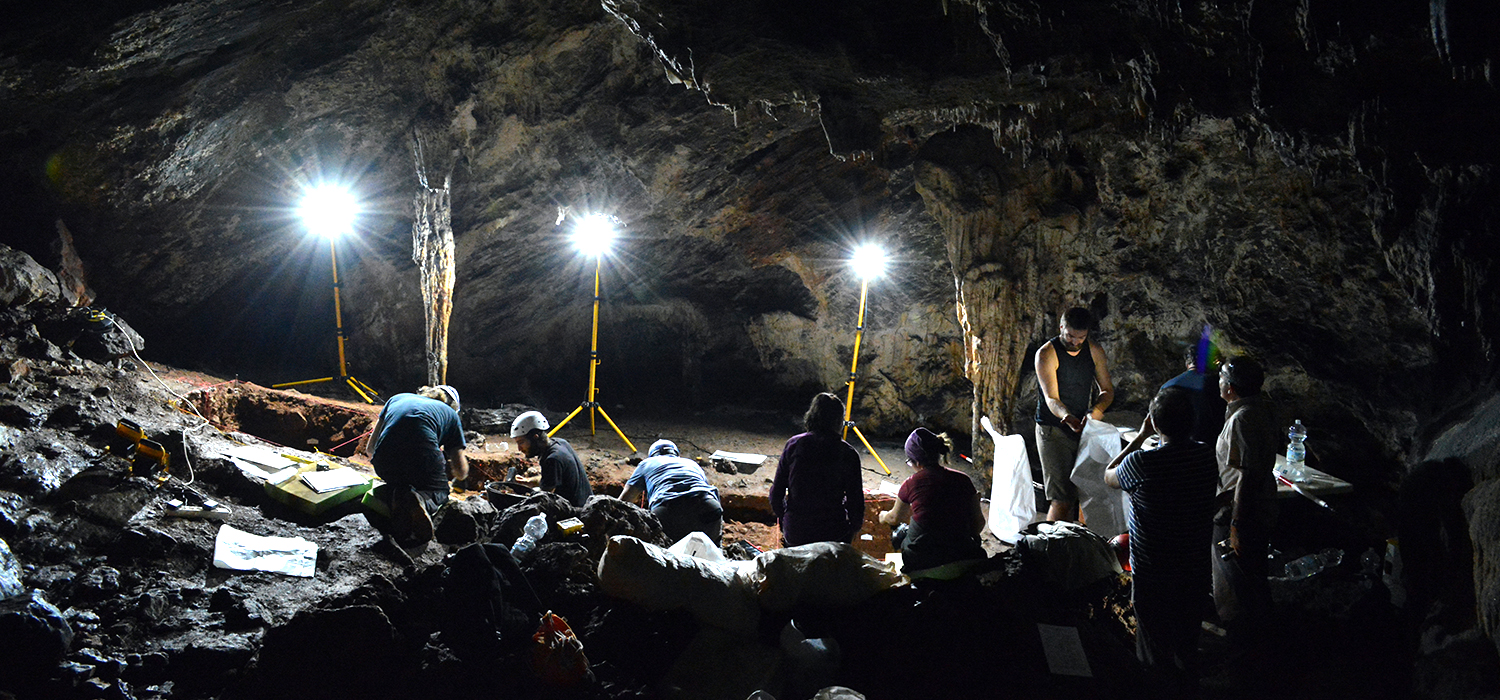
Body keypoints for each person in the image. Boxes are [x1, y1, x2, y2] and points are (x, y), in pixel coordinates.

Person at [1104, 387, 1218, 697]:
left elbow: (1108, 474)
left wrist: (1140, 438)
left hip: (1155, 569)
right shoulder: (1205, 455)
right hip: (1194, 567)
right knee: (1186, 643)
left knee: (1153, 650)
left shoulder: (1142, 463)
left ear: (1155, 422)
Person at [1213, 357, 1279, 660]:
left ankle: (1246, 648)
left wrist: (1236, 523)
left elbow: (1246, 474)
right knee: (1250, 576)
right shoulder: (1257, 409)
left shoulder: (1243, 419)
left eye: (1222, 377)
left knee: (1237, 579)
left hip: (1241, 510)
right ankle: (1258, 643)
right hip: (1253, 505)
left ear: (1230, 387)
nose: (1219, 381)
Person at [1034, 307, 1115, 522]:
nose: (1075, 342)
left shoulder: (1094, 350)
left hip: (1083, 427)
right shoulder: (1046, 354)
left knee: (1084, 492)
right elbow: (1051, 398)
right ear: (1061, 327)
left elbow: (1107, 389)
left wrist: (1096, 411)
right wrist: (1067, 416)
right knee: (1061, 498)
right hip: (1053, 429)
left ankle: (1075, 544)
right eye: (1070, 335)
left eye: (1081, 337)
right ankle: (1051, 547)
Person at [365, 385, 468, 547]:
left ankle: (399, 492)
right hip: (423, 459)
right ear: (453, 407)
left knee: (400, 479)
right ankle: (422, 500)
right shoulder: (450, 415)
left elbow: (370, 449)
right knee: (440, 491)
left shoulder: (397, 397)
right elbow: (460, 471)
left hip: (384, 463)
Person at [878, 428, 987, 576]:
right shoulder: (964, 480)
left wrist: (883, 516)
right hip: (962, 552)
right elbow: (978, 524)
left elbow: (894, 518)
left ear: (916, 461)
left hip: (923, 558)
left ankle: (914, 573)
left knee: (900, 533)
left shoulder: (911, 484)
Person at [770, 393, 866, 547]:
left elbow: (776, 495)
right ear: (839, 421)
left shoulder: (794, 445)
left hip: (797, 531)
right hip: (833, 532)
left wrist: (787, 519)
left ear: (811, 416)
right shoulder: (848, 453)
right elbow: (856, 503)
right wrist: (850, 533)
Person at [620, 439, 724, 545]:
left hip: (668, 511)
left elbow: (624, 501)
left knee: (665, 554)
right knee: (710, 553)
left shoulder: (646, 464)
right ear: (676, 454)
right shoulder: (692, 464)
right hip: (708, 507)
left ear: (652, 455)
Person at [510, 410, 592, 508]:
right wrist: (527, 482)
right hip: (586, 506)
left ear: (535, 437)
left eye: (521, 442)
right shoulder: (561, 443)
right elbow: (550, 480)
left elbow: (544, 499)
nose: (519, 448)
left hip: (575, 514)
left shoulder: (553, 459)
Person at [1160, 344, 1226, 445]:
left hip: (1174, 447)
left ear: (1187, 364)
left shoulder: (1167, 386)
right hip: (1209, 449)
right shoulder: (1218, 386)